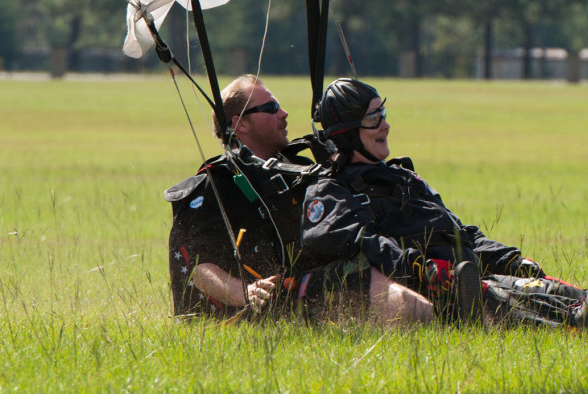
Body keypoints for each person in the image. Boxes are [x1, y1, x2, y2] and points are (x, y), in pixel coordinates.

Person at [301, 77, 588, 331]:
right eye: (374, 118)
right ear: (347, 132)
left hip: (472, 268)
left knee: (554, 290)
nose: (386, 125)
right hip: (449, 288)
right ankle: (579, 327)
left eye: (383, 113)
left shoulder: (402, 176)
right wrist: (418, 267)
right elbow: (341, 242)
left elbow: (461, 232)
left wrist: (509, 257)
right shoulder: (331, 191)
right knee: (520, 303)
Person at [165, 74, 433, 325]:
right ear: (240, 123)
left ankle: (450, 294)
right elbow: (198, 267)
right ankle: (432, 319)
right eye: (271, 108)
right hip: (268, 301)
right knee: (361, 275)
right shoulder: (214, 183)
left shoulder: (300, 168)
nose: (284, 114)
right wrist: (245, 293)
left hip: (308, 281)